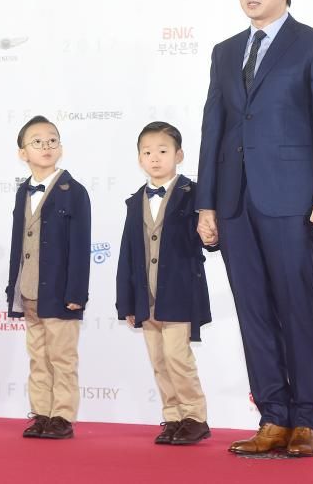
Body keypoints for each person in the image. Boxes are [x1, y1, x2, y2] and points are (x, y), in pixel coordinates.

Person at [196, 0, 313, 457]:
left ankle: (307, 419)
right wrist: (206, 203)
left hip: (290, 200)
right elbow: (213, 130)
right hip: (234, 202)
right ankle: (273, 417)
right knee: (253, 312)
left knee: (296, 307)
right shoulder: (224, 51)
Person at [116, 122, 214, 445]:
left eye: (162, 151)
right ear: (139, 159)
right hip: (146, 297)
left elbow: (209, 238)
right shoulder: (135, 202)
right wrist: (126, 302)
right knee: (158, 360)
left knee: (177, 357)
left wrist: (211, 235)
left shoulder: (194, 195)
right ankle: (173, 417)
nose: (155, 158)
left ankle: (194, 417)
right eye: (147, 152)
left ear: (178, 155)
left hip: (179, 292)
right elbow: (127, 254)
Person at [6, 116, 91, 439]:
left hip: (60, 291)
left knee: (62, 357)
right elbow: (18, 244)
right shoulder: (22, 192)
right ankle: (41, 412)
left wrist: (76, 293)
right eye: (37, 141)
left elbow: (81, 246)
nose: (46, 146)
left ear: (61, 147)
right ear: (22, 153)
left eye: (52, 140)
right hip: (29, 290)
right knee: (38, 356)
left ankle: (62, 415)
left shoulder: (74, 192)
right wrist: (13, 288)